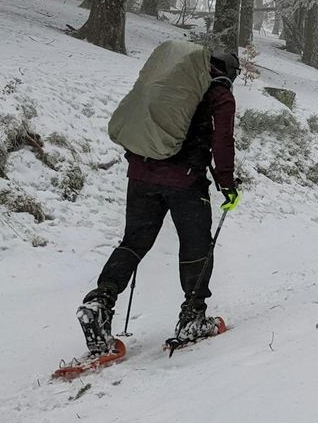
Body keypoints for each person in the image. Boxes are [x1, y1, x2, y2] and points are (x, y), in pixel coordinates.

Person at [76, 51, 242, 354]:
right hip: (186, 181)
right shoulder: (219, 94)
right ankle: (193, 316)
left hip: (141, 175)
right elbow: (223, 142)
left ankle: (100, 302)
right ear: (231, 72)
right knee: (196, 246)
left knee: (133, 242)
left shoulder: (171, 82)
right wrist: (228, 184)